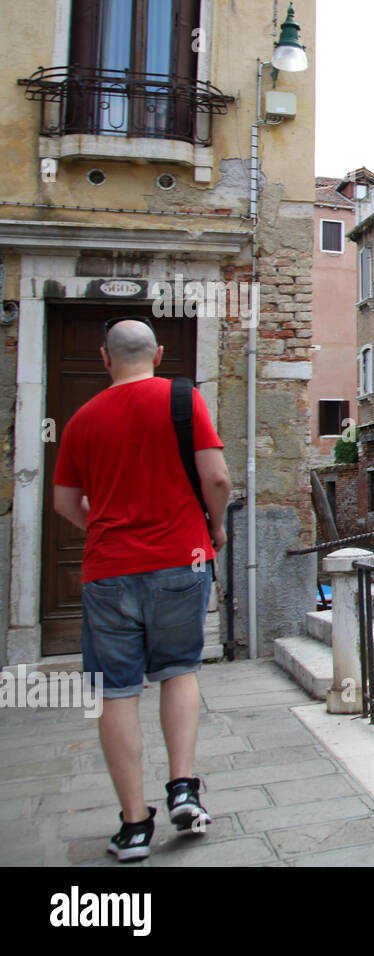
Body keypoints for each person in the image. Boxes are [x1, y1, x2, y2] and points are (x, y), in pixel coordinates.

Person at [52, 317, 231, 861]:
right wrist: (215, 527)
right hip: (181, 558)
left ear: (106, 359)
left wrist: (108, 531)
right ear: (157, 356)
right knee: (179, 670)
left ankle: (133, 828)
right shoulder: (183, 399)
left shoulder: (81, 418)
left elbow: (63, 503)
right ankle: (183, 786)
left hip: (107, 570)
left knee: (115, 691)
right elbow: (217, 478)